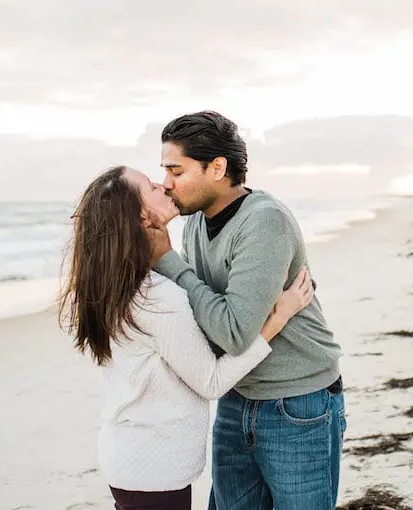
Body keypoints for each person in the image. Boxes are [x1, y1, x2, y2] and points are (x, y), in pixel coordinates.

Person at [58, 165, 314, 510]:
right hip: (154, 465)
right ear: (141, 216)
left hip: (129, 457)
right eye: (150, 186)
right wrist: (277, 318)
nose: (164, 186)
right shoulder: (157, 297)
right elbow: (210, 382)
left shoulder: (113, 286)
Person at [147, 110, 346, 510]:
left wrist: (168, 260)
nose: (167, 184)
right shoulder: (196, 223)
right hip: (237, 395)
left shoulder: (264, 223)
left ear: (217, 168)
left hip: (298, 403)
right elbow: (201, 317)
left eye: (177, 171)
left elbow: (234, 333)